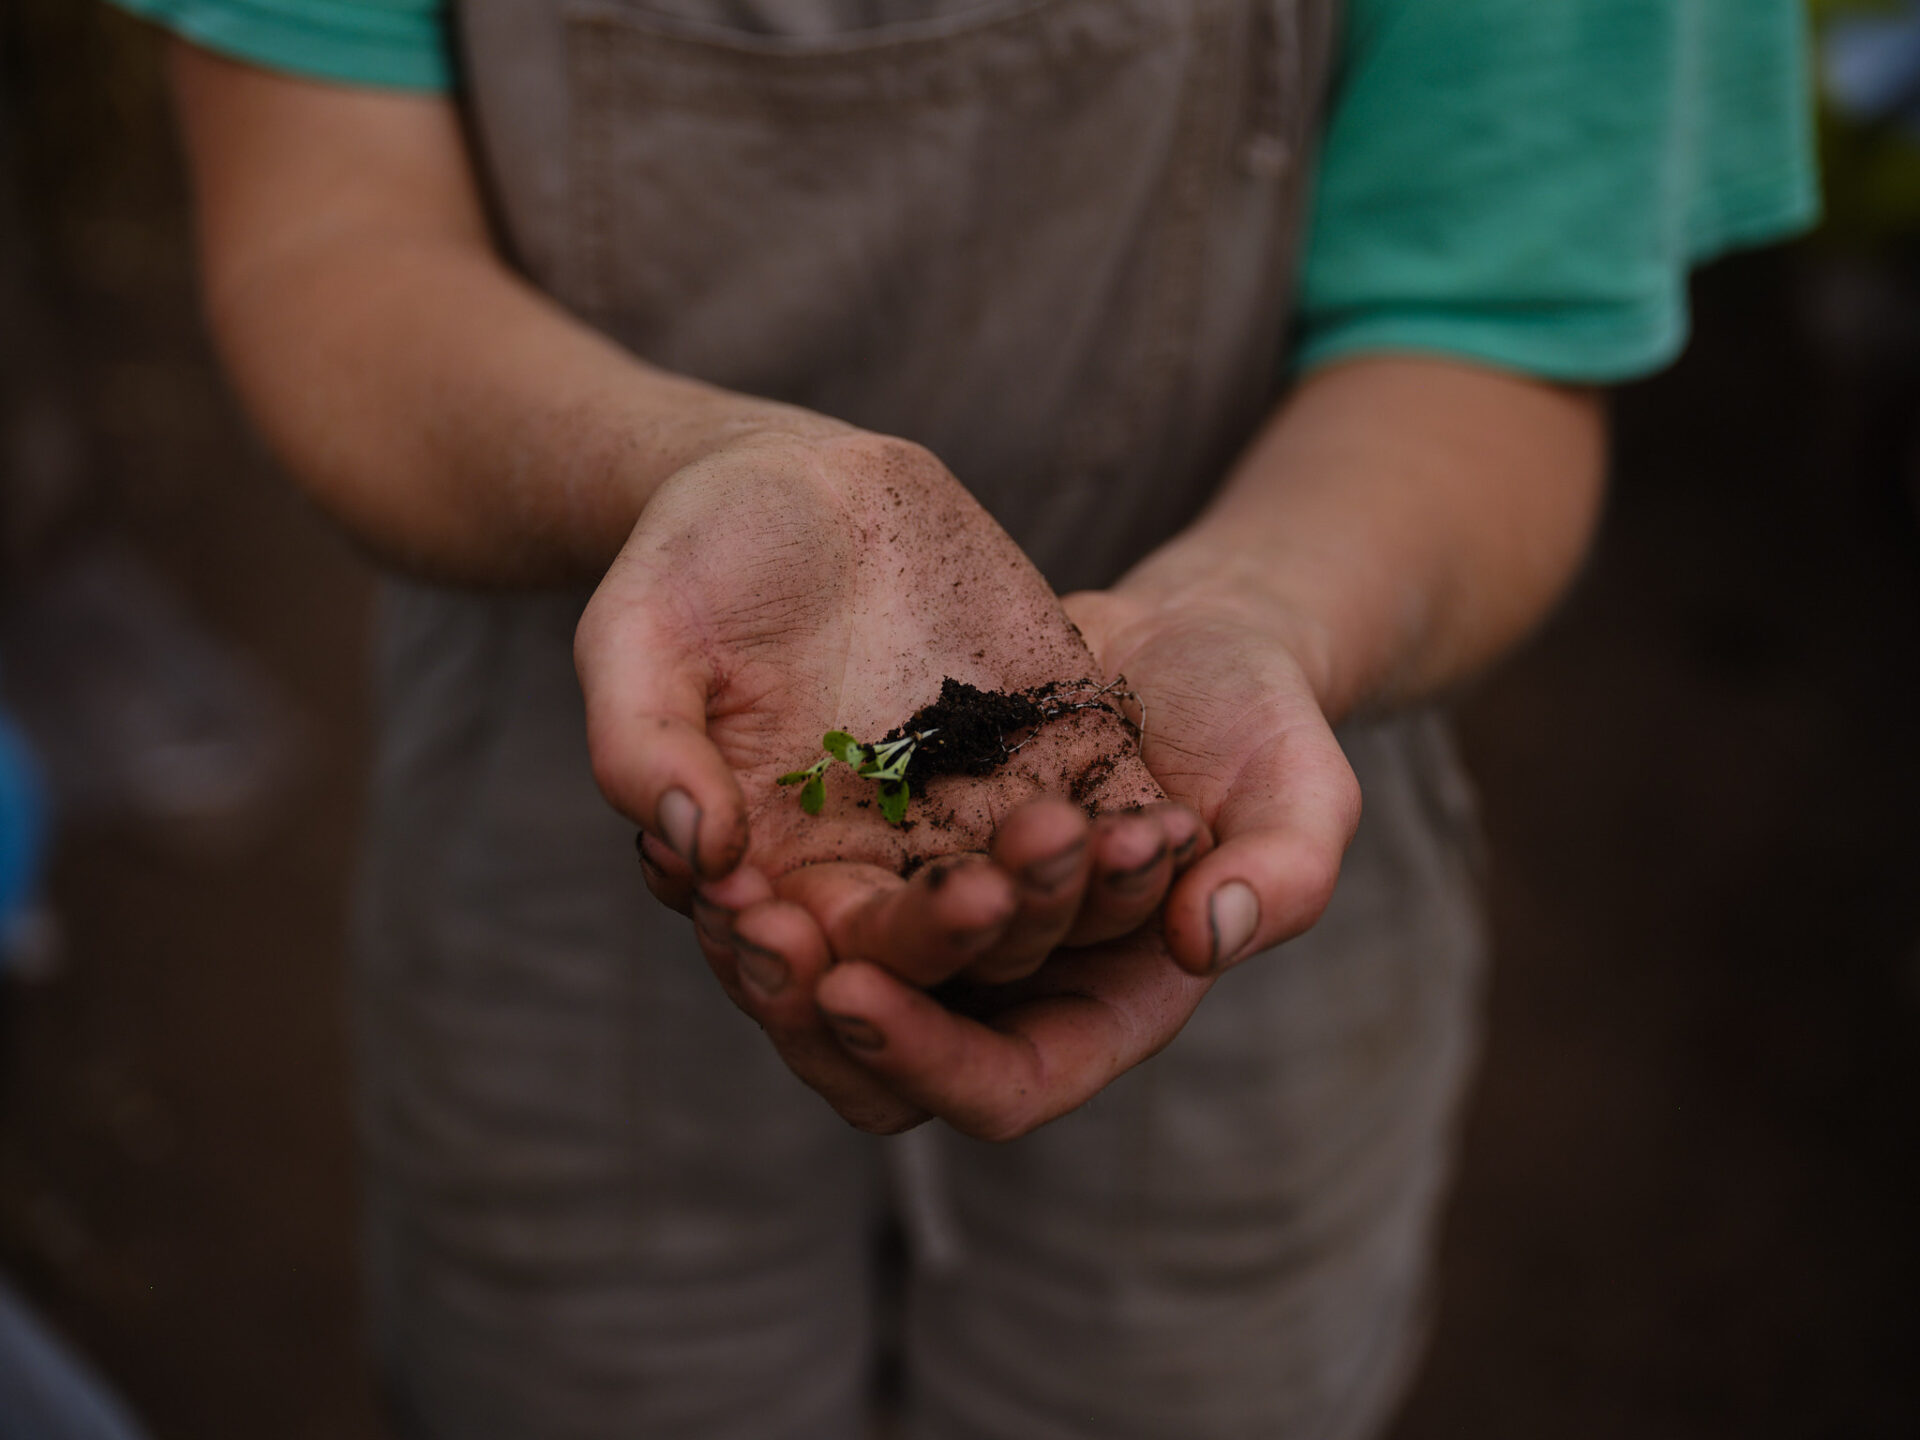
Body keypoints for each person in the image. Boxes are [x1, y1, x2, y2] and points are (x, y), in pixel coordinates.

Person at [110, 1, 1815, 1436]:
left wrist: (1263, 613)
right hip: (559, 887)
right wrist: (687, 473)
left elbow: (1491, 336)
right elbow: (329, 241)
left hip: (1244, 913)